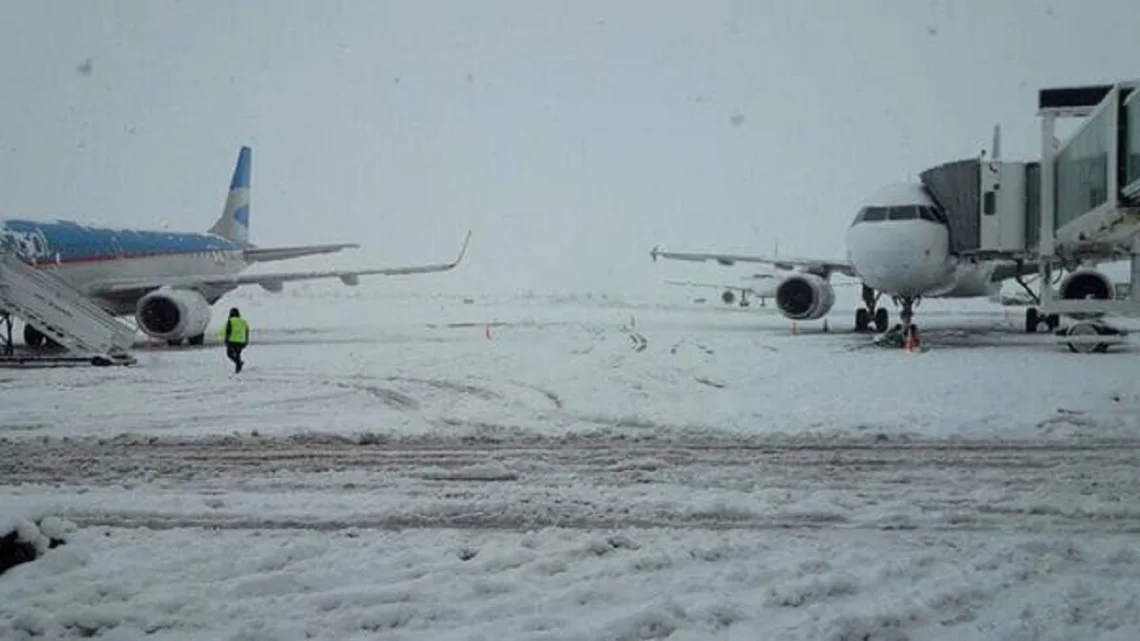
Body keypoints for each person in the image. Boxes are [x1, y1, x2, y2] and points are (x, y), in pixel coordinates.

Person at [218, 307, 249, 373]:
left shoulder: (230, 321)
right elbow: (247, 331)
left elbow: (228, 331)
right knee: (237, 355)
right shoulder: (243, 322)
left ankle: (239, 365)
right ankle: (238, 368)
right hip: (241, 341)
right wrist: (246, 341)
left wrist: (226, 340)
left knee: (229, 354)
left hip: (232, 341)